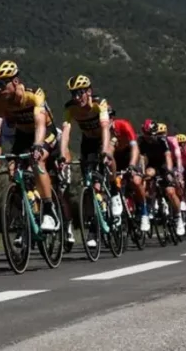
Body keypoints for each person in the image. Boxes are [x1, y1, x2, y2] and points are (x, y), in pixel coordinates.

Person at [0, 60, 57, 233]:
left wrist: (38, 146)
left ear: (15, 82)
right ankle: (24, 221)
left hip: (45, 132)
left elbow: (40, 124)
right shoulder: (1, 99)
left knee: (38, 161)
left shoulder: (33, 95)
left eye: (1, 84)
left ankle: (48, 210)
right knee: (12, 170)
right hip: (23, 135)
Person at [61, 73, 122, 244]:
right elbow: (66, 132)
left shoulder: (99, 103)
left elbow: (104, 128)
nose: (77, 97)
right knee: (89, 186)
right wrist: (62, 153)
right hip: (88, 141)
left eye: (80, 92)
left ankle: (115, 191)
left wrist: (104, 151)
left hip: (105, 137)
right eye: (73, 94)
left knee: (108, 156)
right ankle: (94, 228)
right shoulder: (70, 107)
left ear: (89, 91)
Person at [139, 119, 186, 237]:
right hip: (152, 166)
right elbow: (141, 158)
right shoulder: (141, 141)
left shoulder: (162, 141)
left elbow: (168, 156)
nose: (150, 138)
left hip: (163, 165)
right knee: (148, 175)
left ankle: (178, 217)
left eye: (152, 135)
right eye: (147, 135)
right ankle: (150, 206)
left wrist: (169, 171)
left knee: (170, 192)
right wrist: (142, 173)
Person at [108, 117, 149, 233]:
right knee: (113, 182)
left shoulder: (124, 125)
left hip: (130, 155)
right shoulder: (102, 131)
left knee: (135, 181)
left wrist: (132, 165)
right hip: (116, 158)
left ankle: (144, 212)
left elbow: (135, 148)